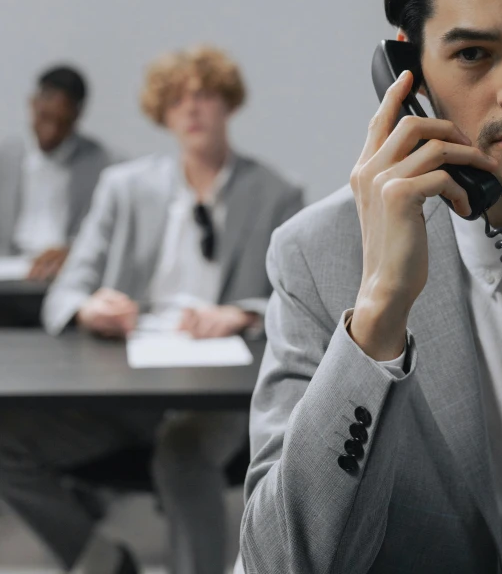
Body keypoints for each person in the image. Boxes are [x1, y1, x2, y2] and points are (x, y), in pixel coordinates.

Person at [240, 0, 502, 574]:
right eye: (474, 55)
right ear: (408, 75)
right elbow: (284, 562)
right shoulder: (321, 254)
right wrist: (379, 312)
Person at [0, 44, 303, 574]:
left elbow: (300, 294)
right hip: (125, 387)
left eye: (204, 95)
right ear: (162, 112)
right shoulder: (125, 188)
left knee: (184, 454)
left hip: (216, 397)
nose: (191, 108)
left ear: (227, 104)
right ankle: (99, 560)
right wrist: (91, 306)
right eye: (177, 99)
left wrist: (244, 313)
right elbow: (68, 290)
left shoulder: (273, 194)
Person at [0, 65, 118, 280]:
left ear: (77, 115)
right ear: (34, 104)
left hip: (64, 272)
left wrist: (75, 252)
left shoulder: (103, 165)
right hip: (8, 268)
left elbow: (110, 233)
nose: (52, 130)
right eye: (46, 117)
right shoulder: (6, 158)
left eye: (62, 122)